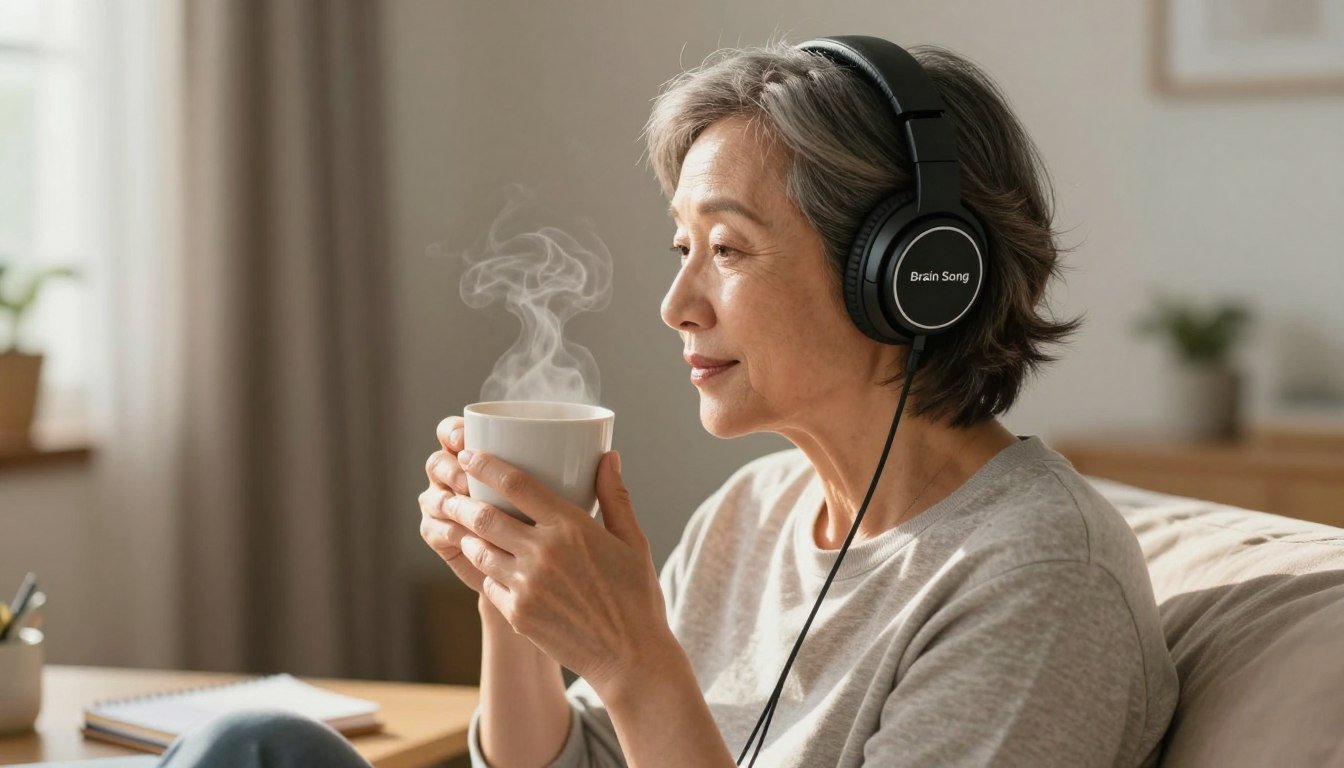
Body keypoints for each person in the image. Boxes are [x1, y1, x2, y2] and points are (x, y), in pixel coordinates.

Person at [156, 37, 1179, 768]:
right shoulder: (754, 512)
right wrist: (512, 598)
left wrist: (634, 658)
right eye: (681, 248)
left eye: (727, 249)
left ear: (912, 275)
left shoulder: (1038, 576)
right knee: (255, 745)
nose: (676, 304)